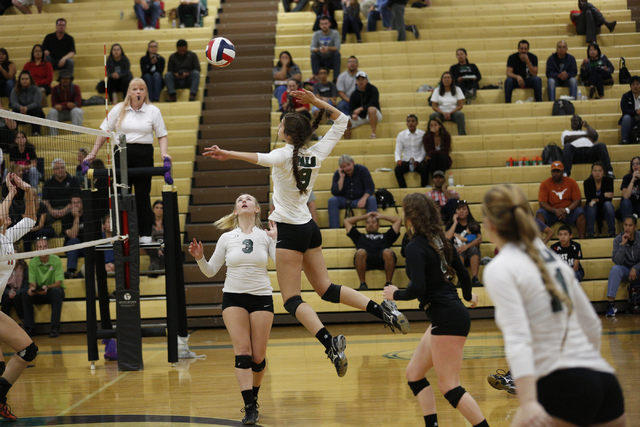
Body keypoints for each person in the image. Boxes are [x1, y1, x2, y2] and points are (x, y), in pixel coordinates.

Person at [203, 89, 410, 378]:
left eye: (280, 127)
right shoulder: (315, 152)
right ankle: (382, 310)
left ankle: (330, 343)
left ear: (287, 134)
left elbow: (255, 157)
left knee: (291, 300)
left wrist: (226, 153)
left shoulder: (281, 155)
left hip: (289, 230)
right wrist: (317, 103)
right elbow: (343, 121)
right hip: (310, 228)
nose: (278, 129)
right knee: (326, 289)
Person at [482, 184, 626, 427]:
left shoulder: (501, 267)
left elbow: (518, 337)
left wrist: (528, 402)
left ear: (490, 225)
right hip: (605, 382)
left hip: (561, 385)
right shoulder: (552, 258)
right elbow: (591, 324)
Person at [383, 193, 488, 427]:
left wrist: (395, 294)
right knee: (414, 374)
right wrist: (469, 296)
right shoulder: (441, 242)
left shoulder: (415, 247)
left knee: (449, 386)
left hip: (446, 318)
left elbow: (417, 288)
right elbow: (462, 274)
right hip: (449, 315)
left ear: (410, 217)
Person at [189, 194, 275, 424]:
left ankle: (253, 398)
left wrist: (277, 240)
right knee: (243, 352)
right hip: (234, 298)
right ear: (236, 211)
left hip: (262, 297)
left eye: (249, 199)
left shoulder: (266, 236)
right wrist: (199, 258)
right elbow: (210, 271)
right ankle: (249, 407)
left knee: (258, 357)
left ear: (257, 209)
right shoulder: (227, 238)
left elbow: (282, 263)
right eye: (239, 200)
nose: (244, 201)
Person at [86, 78, 170, 244]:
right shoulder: (118, 109)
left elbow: (162, 135)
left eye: (141, 89)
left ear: (145, 92)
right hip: (121, 153)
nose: (138, 92)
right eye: (134, 89)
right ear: (129, 92)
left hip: (144, 154)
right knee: (120, 195)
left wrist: (164, 153)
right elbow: (105, 132)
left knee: (142, 194)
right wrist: (93, 152)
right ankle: (120, 232)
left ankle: (145, 234)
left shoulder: (153, 111)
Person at [0, 173, 38, 421]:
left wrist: (28, 190)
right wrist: (9, 194)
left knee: (27, 352)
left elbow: (31, 218)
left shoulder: (7, 238)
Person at [21, 236, 65, 338]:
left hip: (52, 290)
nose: (43, 249)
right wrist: (32, 289)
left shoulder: (56, 260)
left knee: (56, 292)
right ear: (36, 249)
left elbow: (58, 283)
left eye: (45, 246)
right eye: (40, 247)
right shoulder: (33, 262)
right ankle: (30, 328)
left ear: (48, 248)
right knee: (24, 293)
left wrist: (48, 287)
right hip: (39, 291)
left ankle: (55, 328)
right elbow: (32, 283)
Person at [345, 211, 401, 290]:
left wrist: (381, 216)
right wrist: (365, 216)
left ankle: (388, 283)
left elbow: (398, 220)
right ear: (365, 226)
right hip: (365, 262)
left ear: (378, 226)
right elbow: (347, 221)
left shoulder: (386, 236)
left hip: (383, 260)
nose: (370, 224)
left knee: (388, 252)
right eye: (368, 222)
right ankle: (362, 284)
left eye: (373, 222)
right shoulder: (359, 236)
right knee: (360, 252)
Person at [535, 161, 586, 239]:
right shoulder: (545, 184)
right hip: (551, 213)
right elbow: (542, 203)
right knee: (540, 213)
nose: (556, 173)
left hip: (568, 212)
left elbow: (577, 200)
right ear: (551, 172)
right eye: (554, 171)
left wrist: (566, 210)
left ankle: (582, 240)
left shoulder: (571, 182)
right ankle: (538, 241)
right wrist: (555, 211)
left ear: (563, 171)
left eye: (558, 171)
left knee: (580, 212)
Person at [328, 154, 377, 228]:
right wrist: (341, 178)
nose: (347, 168)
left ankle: (372, 227)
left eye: (348, 165)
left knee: (372, 199)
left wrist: (364, 199)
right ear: (341, 168)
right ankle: (334, 229)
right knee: (332, 200)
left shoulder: (362, 170)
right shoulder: (338, 174)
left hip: (360, 198)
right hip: (345, 200)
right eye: (344, 167)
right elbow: (335, 192)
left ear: (353, 162)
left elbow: (370, 187)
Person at [607, 214, 640, 317]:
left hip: (638, 269)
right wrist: (623, 245)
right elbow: (617, 260)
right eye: (626, 225)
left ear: (635, 226)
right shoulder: (618, 239)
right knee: (615, 269)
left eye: (630, 225)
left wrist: (635, 268)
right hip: (625, 269)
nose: (628, 228)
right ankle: (610, 304)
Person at [445, 200, 483, 287]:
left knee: (473, 249)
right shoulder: (450, 224)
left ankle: (475, 279)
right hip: (457, 250)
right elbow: (447, 238)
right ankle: (461, 279)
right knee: (458, 251)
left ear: (468, 211)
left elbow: (479, 239)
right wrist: (455, 222)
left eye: (464, 209)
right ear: (455, 212)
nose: (461, 211)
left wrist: (466, 246)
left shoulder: (474, 224)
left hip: (470, 250)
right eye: (459, 209)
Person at [41, 158, 81, 223]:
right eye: (57, 169)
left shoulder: (74, 180)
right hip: (53, 209)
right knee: (44, 217)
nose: (60, 170)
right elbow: (45, 201)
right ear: (53, 170)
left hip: (69, 209)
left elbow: (77, 200)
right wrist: (51, 211)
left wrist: (64, 210)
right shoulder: (48, 183)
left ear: (65, 168)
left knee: (74, 214)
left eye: (62, 167)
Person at [584, 161, 615, 238]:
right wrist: (604, 195)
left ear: (604, 172)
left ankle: (612, 232)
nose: (597, 173)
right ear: (592, 172)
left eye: (600, 171)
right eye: (595, 171)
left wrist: (596, 199)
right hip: (591, 208)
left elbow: (609, 199)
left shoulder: (609, 181)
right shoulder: (587, 182)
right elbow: (589, 198)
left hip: (604, 208)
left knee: (608, 204)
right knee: (591, 205)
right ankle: (590, 233)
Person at [46, 69, 83, 134]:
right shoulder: (55, 89)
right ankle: (53, 135)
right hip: (60, 113)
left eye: (67, 78)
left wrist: (62, 106)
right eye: (63, 78)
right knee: (52, 112)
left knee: (77, 111)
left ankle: (77, 135)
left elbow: (78, 103)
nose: (65, 80)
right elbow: (54, 104)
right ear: (60, 79)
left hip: (71, 113)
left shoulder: (76, 88)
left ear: (70, 79)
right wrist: (67, 105)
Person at [395, 114, 427, 188]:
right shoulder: (401, 135)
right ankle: (403, 188)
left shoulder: (422, 134)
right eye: (408, 121)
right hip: (406, 160)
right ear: (406, 123)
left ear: (417, 123)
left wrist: (418, 161)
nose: (410, 123)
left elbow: (423, 151)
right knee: (397, 169)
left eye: (413, 121)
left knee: (424, 167)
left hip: (418, 160)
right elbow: (398, 150)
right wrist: (398, 160)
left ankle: (424, 187)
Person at [347, 71, 381, 139]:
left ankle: (373, 133)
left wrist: (362, 108)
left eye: (363, 79)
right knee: (344, 121)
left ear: (367, 80)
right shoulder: (354, 94)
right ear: (356, 81)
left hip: (374, 115)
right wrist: (352, 115)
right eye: (359, 79)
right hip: (360, 117)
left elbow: (374, 102)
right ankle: (348, 141)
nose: (361, 81)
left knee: (371, 109)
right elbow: (351, 108)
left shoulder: (373, 89)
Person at [10, 70, 44, 136]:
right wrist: (20, 108)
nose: (24, 81)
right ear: (19, 80)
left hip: (32, 112)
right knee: (13, 112)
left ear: (30, 80)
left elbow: (37, 102)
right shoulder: (15, 90)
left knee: (37, 110)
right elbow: (13, 102)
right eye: (22, 79)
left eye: (26, 79)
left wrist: (27, 108)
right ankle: (14, 135)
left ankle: (36, 133)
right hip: (20, 112)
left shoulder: (36, 89)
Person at [310, 17, 341, 81]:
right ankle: (316, 76)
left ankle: (336, 78)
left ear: (329, 24)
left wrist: (328, 48)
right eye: (322, 24)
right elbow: (311, 48)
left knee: (337, 54)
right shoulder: (316, 34)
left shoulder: (335, 33)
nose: (324, 26)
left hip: (331, 59)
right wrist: (319, 49)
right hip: (321, 60)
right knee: (313, 55)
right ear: (319, 25)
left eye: (326, 23)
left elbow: (337, 47)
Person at [61, 195, 83, 279]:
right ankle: (71, 272)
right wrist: (76, 217)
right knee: (74, 240)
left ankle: (80, 275)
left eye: (78, 202)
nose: (76, 205)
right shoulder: (67, 218)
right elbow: (73, 235)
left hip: (85, 247)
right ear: (70, 205)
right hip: (71, 249)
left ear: (82, 203)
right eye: (74, 203)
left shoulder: (89, 216)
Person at [618, 75, 640, 144]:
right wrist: (636, 112)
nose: (635, 86)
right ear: (630, 86)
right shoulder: (626, 96)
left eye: (637, 84)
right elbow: (624, 110)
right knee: (626, 118)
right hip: (631, 117)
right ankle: (624, 139)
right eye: (633, 84)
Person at [147, 200, 164, 271]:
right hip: (153, 246)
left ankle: (156, 266)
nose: (159, 210)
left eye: (161, 208)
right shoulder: (149, 223)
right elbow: (149, 238)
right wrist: (157, 249)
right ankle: (157, 265)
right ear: (153, 209)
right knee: (152, 249)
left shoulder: (167, 222)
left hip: (164, 245)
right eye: (157, 208)